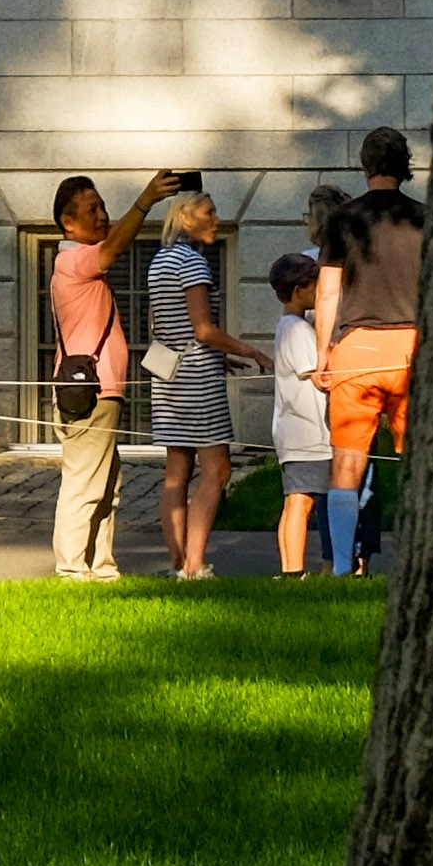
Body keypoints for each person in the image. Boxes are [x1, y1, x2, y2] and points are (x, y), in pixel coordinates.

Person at [43, 166, 177, 582]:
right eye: (92, 209)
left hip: (102, 391)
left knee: (105, 484)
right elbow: (114, 249)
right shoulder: (74, 260)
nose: (102, 216)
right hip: (92, 391)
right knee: (85, 482)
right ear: (68, 222)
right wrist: (145, 201)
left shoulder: (79, 262)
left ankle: (100, 566)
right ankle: (71, 568)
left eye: (103, 207)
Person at [145, 189, 274, 581]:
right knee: (216, 469)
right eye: (209, 212)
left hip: (167, 375)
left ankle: (177, 561)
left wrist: (222, 355)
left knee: (176, 470)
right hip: (198, 378)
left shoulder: (159, 260)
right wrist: (251, 351)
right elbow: (203, 330)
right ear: (186, 217)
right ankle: (195, 564)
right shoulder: (192, 262)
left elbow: (163, 325)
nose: (216, 219)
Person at [315, 123, 425, 578]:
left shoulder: (343, 219)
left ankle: (343, 567)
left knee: (346, 462)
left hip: (357, 347)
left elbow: (327, 291)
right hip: (414, 347)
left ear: (364, 166)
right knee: (420, 461)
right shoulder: (425, 218)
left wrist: (322, 354)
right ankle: (422, 561)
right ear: (405, 166)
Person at [267, 250, 332, 577]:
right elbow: (320, 376)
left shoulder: (289, 326)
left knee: (295, 499)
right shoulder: (297, 330)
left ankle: (290, 569)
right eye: (313, 287)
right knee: (301, 501)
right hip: (305, 432)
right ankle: (293, 569)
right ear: (297, 291)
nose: (318, 294)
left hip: (295, 431)